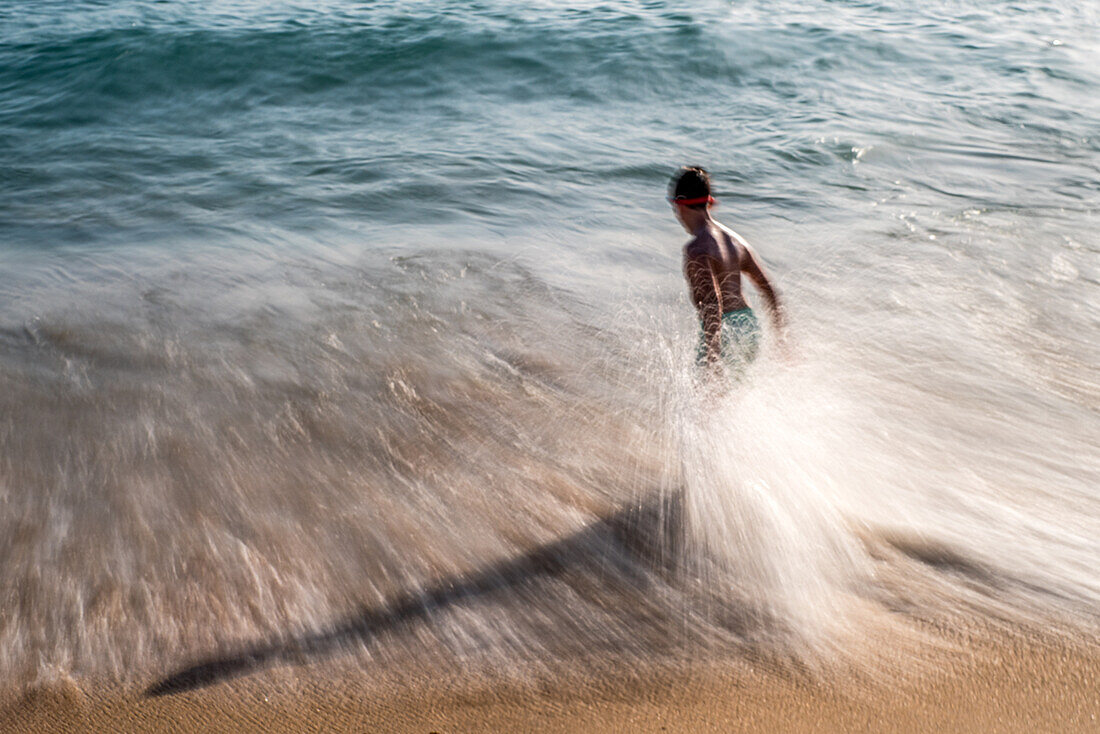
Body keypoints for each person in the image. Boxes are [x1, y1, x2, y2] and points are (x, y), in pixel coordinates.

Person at [669, 166, 785, 373]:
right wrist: (781, 339)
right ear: (709, 203)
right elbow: (769, 290)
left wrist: (711, 358)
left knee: (707, 396)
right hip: (749, 327)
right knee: (734, 395)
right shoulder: (736, 241)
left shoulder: (697, 249)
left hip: (726, 331)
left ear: (679, 205)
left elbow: (713, 304)